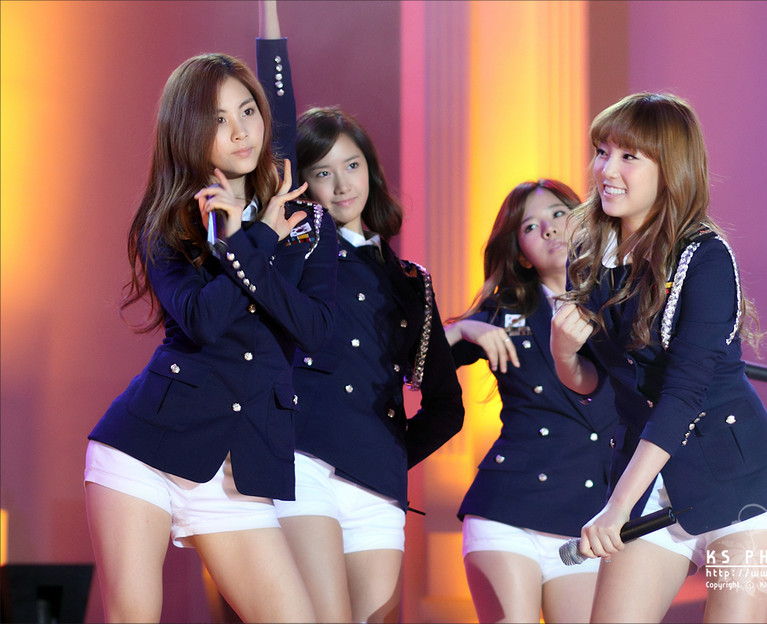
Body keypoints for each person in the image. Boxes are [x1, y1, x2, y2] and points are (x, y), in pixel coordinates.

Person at [84, 51, 338, 623]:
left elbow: (316, 330)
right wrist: (255, 240)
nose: (240, 131)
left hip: (237, 469)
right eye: (218, 119)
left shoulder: (307, 221)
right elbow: (202, 319)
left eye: (247, 110)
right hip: (144, 451)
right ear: (189, 131)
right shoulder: (170, 221)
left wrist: (253, 236)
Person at [550, 93, 767, 623]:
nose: (606, 170)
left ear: (670, 170)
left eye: (629, 157)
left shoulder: (705, 258)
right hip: (650, 481)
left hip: (738, 481)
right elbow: (594, 384)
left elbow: (683, 395)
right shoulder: (589, 257)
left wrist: (617, 507)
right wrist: (562, 353)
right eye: (602, 152)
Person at [257, 3, 464, 622]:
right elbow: (279, 127)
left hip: (377, 480)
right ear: (303, 183)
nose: (343, 184)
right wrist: (270, 20)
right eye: (323, 173)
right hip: (303, 461)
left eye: (353, 166)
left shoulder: (410, 281)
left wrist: (390, 451)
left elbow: (447, 407)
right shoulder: (301, 243)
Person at [444, 180, 618, 623]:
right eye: (530, 226)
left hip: (586, 520)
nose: (549, 229)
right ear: (521, 253)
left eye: (558, 214)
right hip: (508, 508)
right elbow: (417, 362)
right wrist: (465, 328)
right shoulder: (509, 312)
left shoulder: (621, 303)